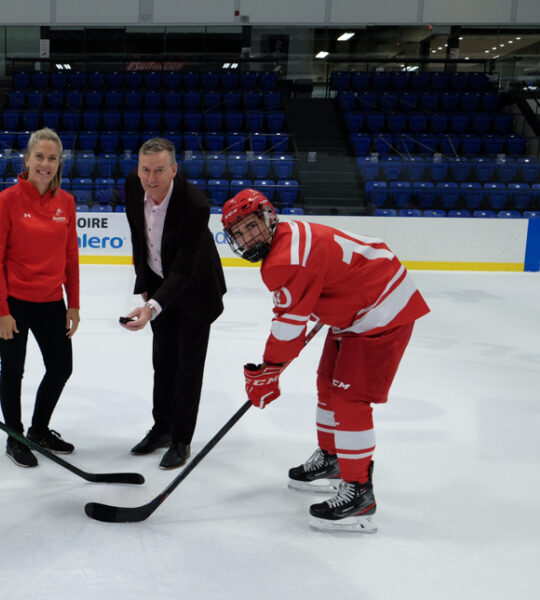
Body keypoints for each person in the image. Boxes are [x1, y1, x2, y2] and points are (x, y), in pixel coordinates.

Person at [221, 189, 430, 533]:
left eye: (250, 227)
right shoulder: (285, 239)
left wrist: (268, 371)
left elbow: (288, 329)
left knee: (350, 399)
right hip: (359, 301)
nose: (246, 238)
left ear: (268, 217)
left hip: (381, 311)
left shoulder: (285, 259)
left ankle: (359, 493)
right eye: (238, 233)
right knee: (327, 382)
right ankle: (333, 459)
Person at [121, 137, 227, 470]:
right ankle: (162, 429)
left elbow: (184, 268)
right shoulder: (131, 187)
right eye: (145, 169)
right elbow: (141, 238)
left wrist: (153, 306)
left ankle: (181, 440)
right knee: (163, 363)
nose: (151, 178)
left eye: (160, 170)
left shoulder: (194, 204)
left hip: (196, 291)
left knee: (187, 370)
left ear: (174, 169)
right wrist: (145, 287)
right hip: (159, 287)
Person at [0, 127, 80, 468]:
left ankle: (38, 430)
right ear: (26, 159)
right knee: (13, 369)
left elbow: (71, 257)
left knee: (61, 367)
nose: (45, 163)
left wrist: (74, 304)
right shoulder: (6, 201)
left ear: (59, 163)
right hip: (11, 302)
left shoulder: (66, 202)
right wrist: (1, 310)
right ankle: (15, 435)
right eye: (39, 156)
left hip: (51, 301)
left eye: (52, 158)